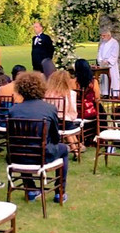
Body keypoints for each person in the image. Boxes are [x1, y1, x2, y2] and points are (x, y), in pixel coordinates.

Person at [7, 72, 70, 202]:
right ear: (41, 88)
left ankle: (31, 189)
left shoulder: (13, 110)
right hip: (41, 155)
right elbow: (55, 136)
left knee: (22, 147)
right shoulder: (49, 109)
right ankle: (60, 192)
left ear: (20, 89)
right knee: (63, 148)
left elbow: (11, 137)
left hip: (17, 156)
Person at [46, 69, 80, 152]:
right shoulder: (70, 93)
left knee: (66, 125)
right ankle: (76, 149)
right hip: (64, 122)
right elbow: (73, 111)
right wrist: (72, 118)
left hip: (50, 122)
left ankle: (77, 147)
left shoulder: (47, 94)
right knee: (68, 124)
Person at [96, 27, 120, 96]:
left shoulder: (114, 43)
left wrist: (108, 61)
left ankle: (113, 94)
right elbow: (99, 53)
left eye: (104, 36)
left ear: (109, 35)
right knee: (104, 80)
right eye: (101, 36)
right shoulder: (102, 43)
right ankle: (104, 93)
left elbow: (114, 54)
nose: (102, 37)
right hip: (103, 64)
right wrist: (100, 60)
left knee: (112, 79)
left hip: (111, 66)